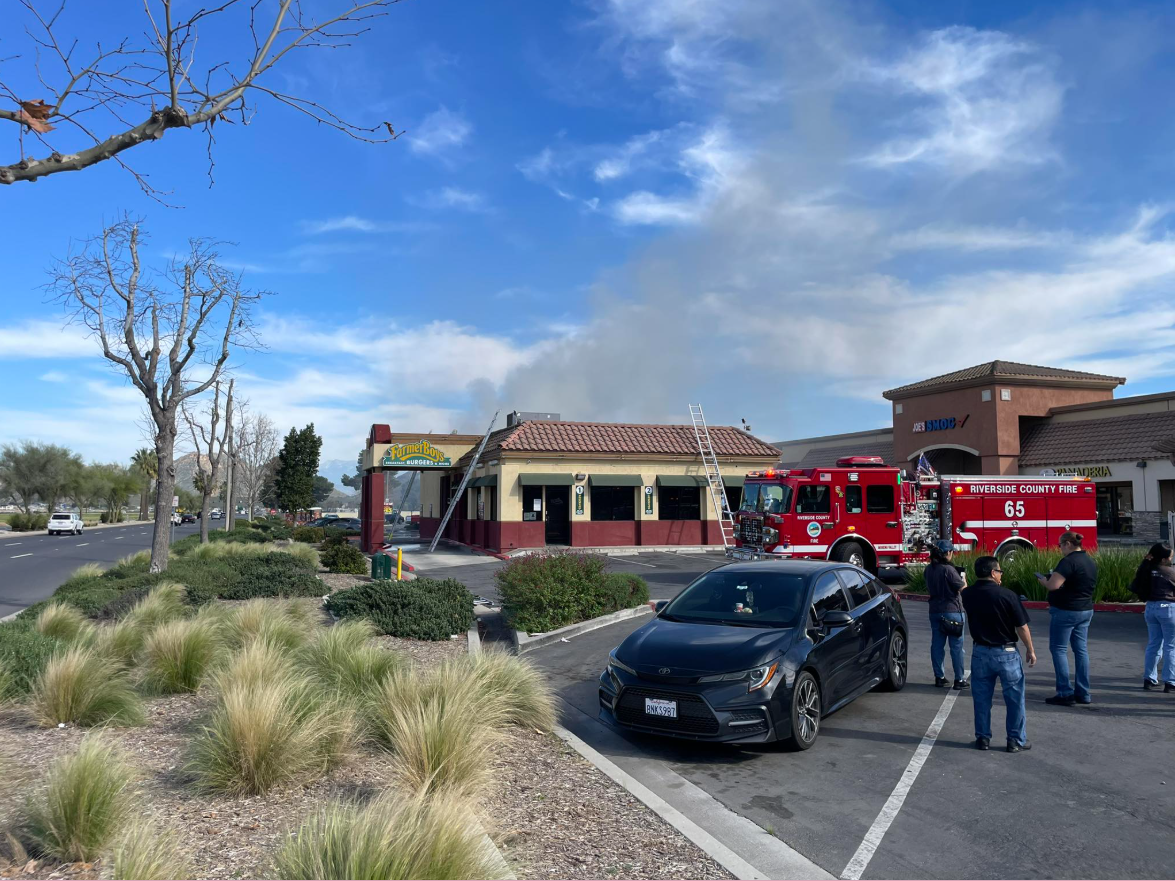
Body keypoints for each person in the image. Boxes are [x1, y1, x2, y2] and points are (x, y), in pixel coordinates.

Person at [961, 555, 1037, 752]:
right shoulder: (1008, 595)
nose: (1001, 574)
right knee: (1014, 699)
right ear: (993, 573)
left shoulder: (968, 595)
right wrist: (1030, 649)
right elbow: (1021, 627)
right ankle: (1015, 740)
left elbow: (964, 589)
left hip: (980, 652)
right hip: (1007, 653)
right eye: (1000, 571)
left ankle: (983, 738)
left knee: (982, 698)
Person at [1036, 531, 1097, 706]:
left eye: (1060, 545)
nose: (1060, 548)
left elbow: (1053, 585)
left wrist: (1043, 580)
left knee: (1059, 649)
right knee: (1081, 650)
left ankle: (1064, 692)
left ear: (1068, 544)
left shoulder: (1068, 562)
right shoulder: (1089, 560)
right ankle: (1083, 693)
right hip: (1085, 609)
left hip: (1066, 610)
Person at [1132, 543, 1175, 692]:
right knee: (1171, 646)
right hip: (1168, 608)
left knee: (1154, 644)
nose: (1171, 558)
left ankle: (1149, 678)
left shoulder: (1147, 569)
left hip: (1150, 608)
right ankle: (1171, 681)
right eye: (1170, 556)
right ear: (1163, 559)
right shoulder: (1170, 572)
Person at [925, 539, 968, 689]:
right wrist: (963, 576)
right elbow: (963, 588)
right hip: (952, 611)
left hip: (935, 610)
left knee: (937, 645)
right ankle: (959, 679)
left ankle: (940, 677)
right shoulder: (949, 570)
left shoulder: (929, 569)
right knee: (956, 647)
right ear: (948, 553)